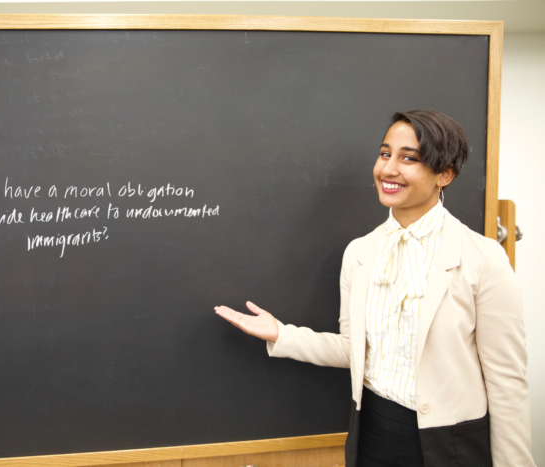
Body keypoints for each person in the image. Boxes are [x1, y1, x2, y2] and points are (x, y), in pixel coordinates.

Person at [215, 110, 535, 467]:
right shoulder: (361, 253)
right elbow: (356, 349)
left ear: (444, 174)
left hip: (450, 443)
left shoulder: (483, 258)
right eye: (385, 154)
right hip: (372, 432)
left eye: (408, 158)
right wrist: (282, 334)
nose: (388, 169)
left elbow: (507, 385)